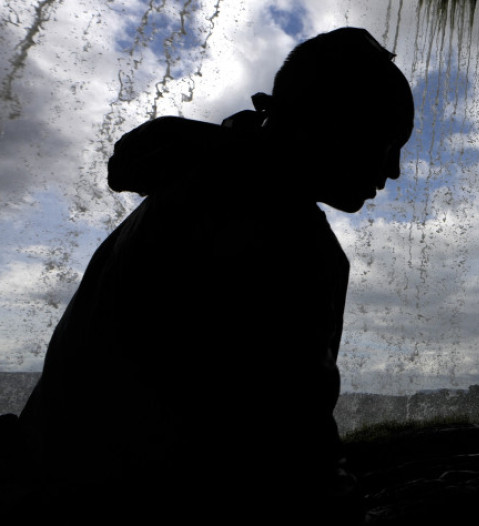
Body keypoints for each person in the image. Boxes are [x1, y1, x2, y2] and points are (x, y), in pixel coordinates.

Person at [18, 28, 414, 510]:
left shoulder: (194, 182)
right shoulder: (287, 233)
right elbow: (292, 451)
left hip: (54, 491)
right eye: (388, 142)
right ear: (333, 126)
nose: (394, 170)